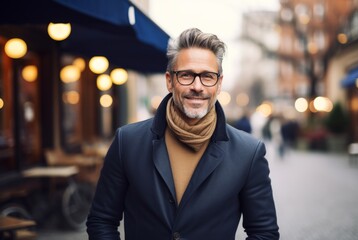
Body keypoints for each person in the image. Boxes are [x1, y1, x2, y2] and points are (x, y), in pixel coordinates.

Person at [86, 28, 279, 240]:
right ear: (170, 81)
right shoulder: (127, 142)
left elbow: (264, 233)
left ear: (219, 83)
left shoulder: (248, 152)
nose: (197, 86)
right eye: (186, 75)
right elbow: (102, 220)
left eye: (207, 76)